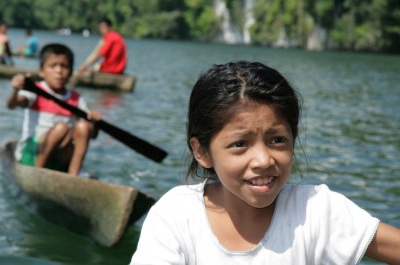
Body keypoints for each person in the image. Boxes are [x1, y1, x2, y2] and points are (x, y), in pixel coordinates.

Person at [130, 61, 400, 264]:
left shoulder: (315, 211)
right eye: (240, 144)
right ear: (201, 152)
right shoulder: (176, 216)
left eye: (277, 140)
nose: (262, 160)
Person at [7, 43, 101, 176]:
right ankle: (38, 172)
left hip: (59, 153)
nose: (59, 71)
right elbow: (13, 104)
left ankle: (73, 175)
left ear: (70, 72)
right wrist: (16, 90)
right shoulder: (36, 90)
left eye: (64, 66)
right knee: (61, 128)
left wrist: (94, 123)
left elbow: (92, 135)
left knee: (83, 126)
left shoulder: (76, 98)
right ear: (42, 71)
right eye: (53, 66)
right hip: (33, 151)